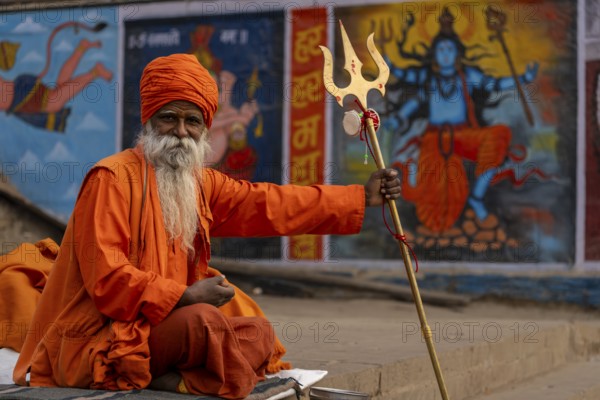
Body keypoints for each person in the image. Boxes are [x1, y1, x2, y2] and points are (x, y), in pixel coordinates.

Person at [13, 53, 402, 399]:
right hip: (107, 334)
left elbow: (267, 203)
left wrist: (358, 197)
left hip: (164, 326)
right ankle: (181, 376)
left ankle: (174, 378)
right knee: (203, 322)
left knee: (259, 334)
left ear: (205, 128)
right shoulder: (112, 179)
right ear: (148, 120)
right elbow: (108, 280)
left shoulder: (200, 182)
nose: (181, 132)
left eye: (192, 121)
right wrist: (183, 295)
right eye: (169, 118)